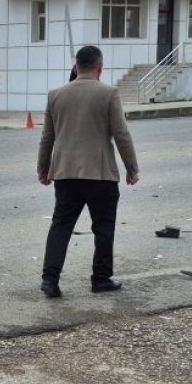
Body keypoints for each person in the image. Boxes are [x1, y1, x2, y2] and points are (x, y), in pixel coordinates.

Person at [37, 45, 139, 298]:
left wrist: (43, 169)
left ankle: (50, 280)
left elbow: (47, 137)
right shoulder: (109, 93)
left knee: (60, 226)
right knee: (103, 228)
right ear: (100, 67)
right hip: (100, 175)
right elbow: (121, 134)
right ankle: (101, 279)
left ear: (76, 67)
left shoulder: (55, 95)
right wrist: (132, 168)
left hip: (65, 174)